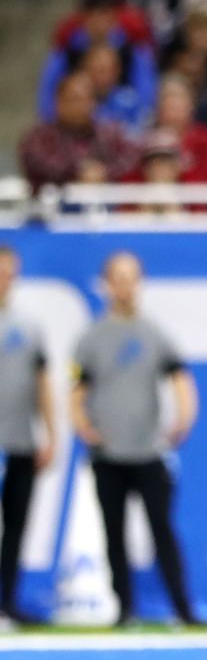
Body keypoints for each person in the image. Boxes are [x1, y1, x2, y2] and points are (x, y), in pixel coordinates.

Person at [71, 252, 197, 625]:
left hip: (148, 449)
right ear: (107, 284)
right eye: (118, 278)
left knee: (162, 529)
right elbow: (77, 389)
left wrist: (183, 418)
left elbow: (179, 377)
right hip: (108, 452)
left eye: (131, 277)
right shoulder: (92, 337)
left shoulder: (154, 333)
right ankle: (123, 608)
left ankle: (182, 608)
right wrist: (84, 426)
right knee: (115, 533)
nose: (125, 285)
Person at [0, 246, 53, 624]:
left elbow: (42, 382)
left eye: (9, 273)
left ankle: (7, 601)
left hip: (19, 440)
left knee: (16, 527)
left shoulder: (28, 328)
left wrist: (51, 432)